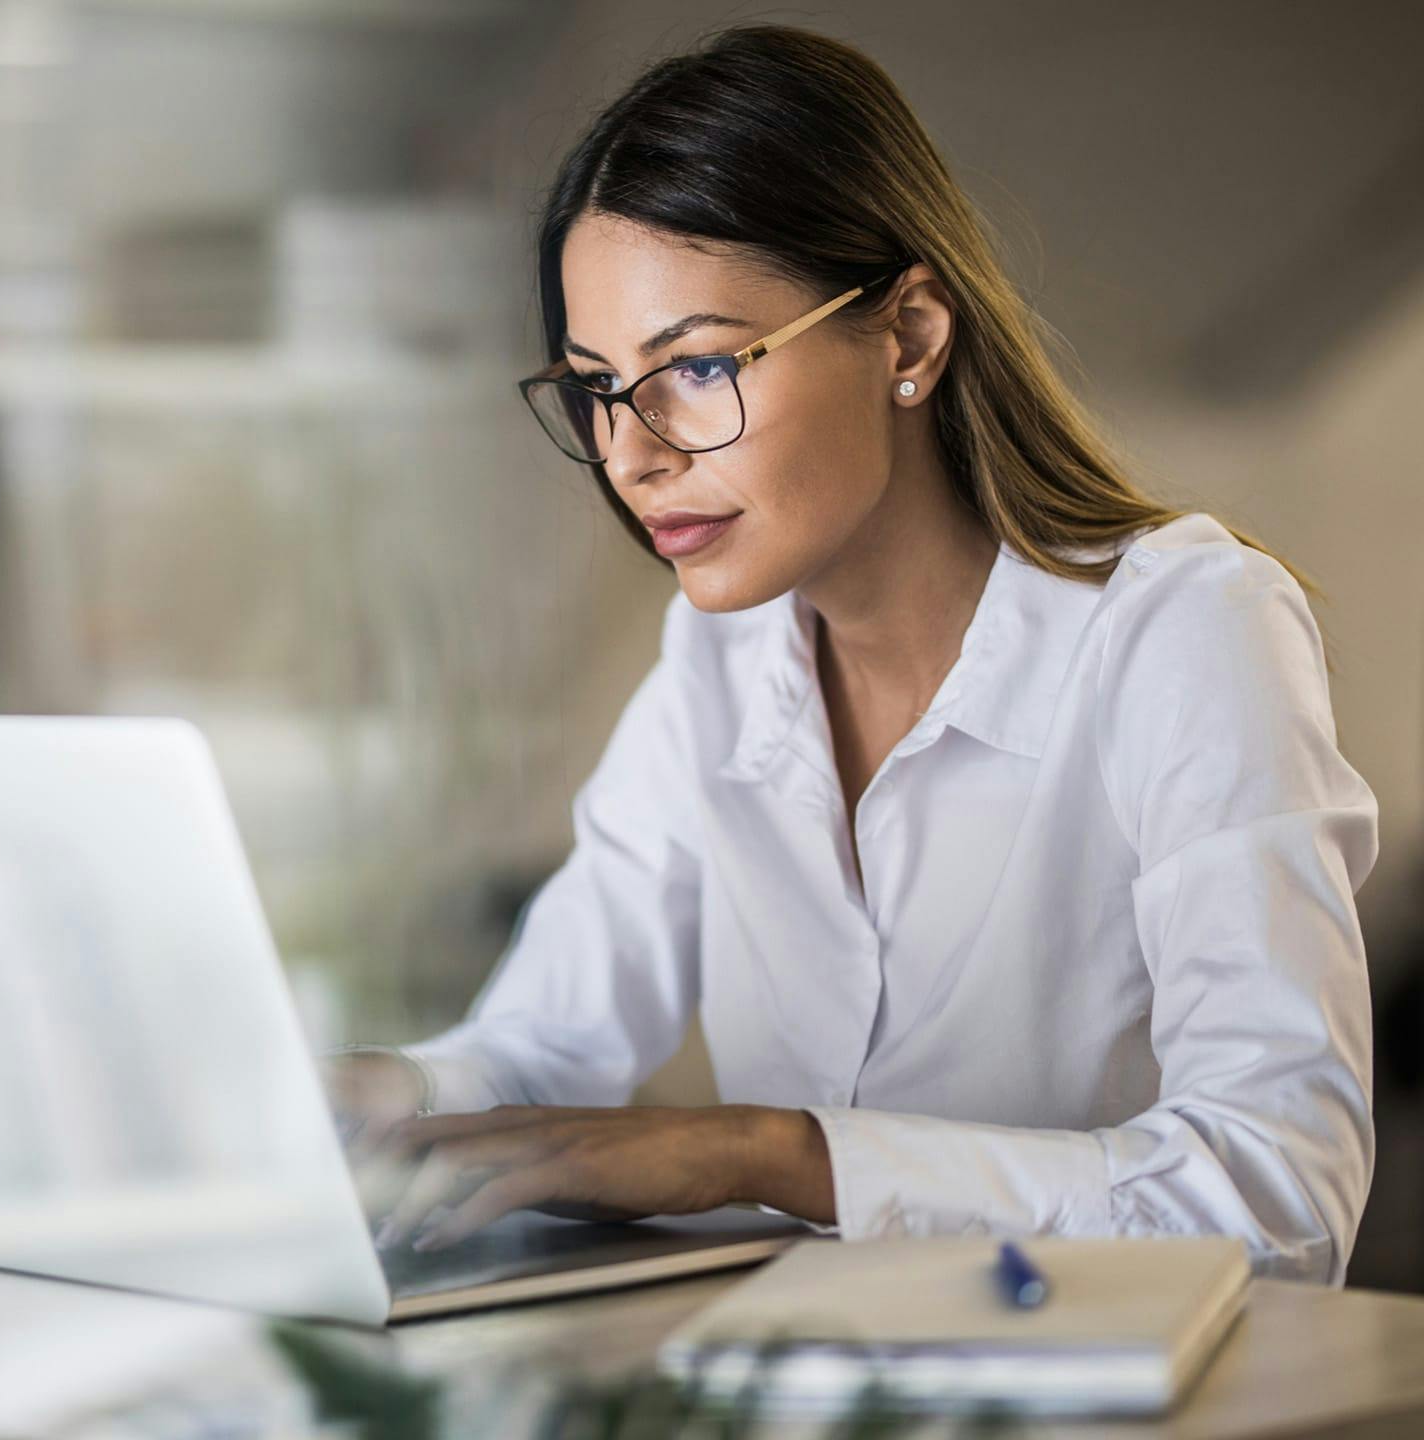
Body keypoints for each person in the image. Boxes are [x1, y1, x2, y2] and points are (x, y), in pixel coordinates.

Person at [323, 22, 1377, 1285]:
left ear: (912, 338)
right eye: (599, 388)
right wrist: (371, 1096)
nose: (633, 454)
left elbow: (1282, 1196)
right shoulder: (720, 664)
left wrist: (774, 1155)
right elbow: (550, 1046)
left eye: (699, 367)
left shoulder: (1184, 627)